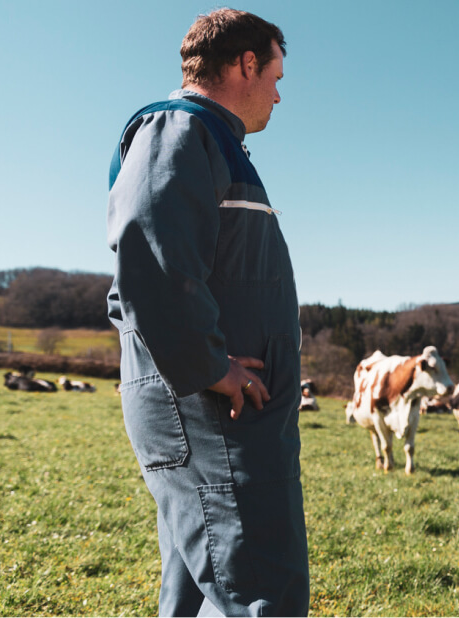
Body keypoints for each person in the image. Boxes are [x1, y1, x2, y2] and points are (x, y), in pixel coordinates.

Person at [106, 9, 307, 616]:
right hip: (211, 411)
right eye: (276, 72)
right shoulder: (179, 128)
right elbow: (151, 258)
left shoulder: (215, 142)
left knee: (198, 589)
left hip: (222, 411)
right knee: (260, 593)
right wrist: (210, 365)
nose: (279, 91)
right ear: (246, 63)